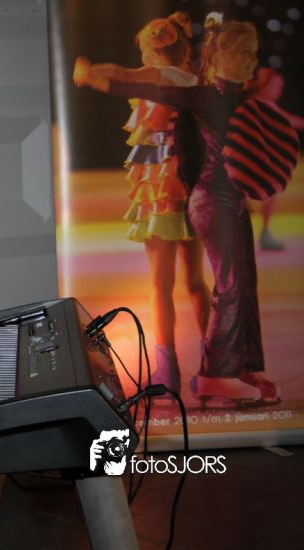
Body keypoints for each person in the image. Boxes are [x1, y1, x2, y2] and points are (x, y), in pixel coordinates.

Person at [75, 15, 297, 408]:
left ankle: (230, 369)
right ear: (217, 56)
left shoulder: (215, 91)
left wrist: (93, 75)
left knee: (235, 286)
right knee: (222, 285)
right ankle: (216, 373)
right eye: (245, 53)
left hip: (198, 196)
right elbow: (137, 84)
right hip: (201, 197)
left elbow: (130, 78)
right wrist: (95, 78)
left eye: (253, 53)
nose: (252, 60)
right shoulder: (198, 90)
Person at [73, 12, 211, 397]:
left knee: (160, 285)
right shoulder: (193, 79)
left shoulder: (155, 75)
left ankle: (168, 370)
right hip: (192, 187)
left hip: (162, 190)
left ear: (152, 49)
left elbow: (121, 74)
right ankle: (214, 362)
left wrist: (88, 71)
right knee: (196, 283)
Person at [245, 67, 304, 251]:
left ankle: (263, 232)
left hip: (253, 159)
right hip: (247, 160)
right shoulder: (259, 104)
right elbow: (288, 120)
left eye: (280, 87)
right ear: (262, 85)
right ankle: (261, 233)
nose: (277, 91)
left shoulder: (261, 103)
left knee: (271, 188)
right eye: (274, 86)